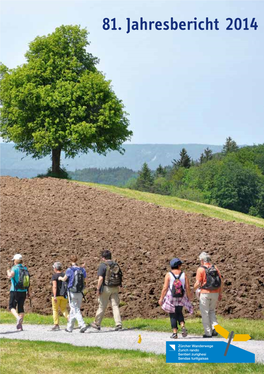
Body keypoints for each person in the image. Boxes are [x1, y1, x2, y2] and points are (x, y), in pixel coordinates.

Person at [159, 258, 193, 339]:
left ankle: (175, 333)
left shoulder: (168, 274)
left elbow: (165, 287)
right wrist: (189, 296)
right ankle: (182, 325)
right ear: (178, 265)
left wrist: (161, 298)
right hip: (181, 295)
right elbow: (187, 287)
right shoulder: (184, 274)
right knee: (179, 312)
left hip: (171, 296)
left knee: (172, 314)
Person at [91, 250, 122, 331]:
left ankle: (97, 323)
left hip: (106, 288)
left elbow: (101, 278)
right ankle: (118, 324)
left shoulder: (103, 265)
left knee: (102, 306)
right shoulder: (115, 264)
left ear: (103, 258)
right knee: (115, 306)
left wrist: (98, 289)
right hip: (115, 287)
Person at [194, 252, 223, 338]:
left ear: (202, 260)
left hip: (205, 293)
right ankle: (215, 327)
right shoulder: (215, 268)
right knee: (212, 311)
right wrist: (220, 293)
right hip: (215, 292)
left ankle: (208, 333)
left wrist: (192, 290)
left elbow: (198, 283)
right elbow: (221, 282)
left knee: (205, 313)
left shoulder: (200, 269)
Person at [58, 255, 89, 333]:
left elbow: (64, 279)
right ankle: (69, 327)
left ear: (70, 261)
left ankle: (82, 325)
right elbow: (85, 278)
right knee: (74, 309)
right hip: (80, 292)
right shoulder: (82, 269)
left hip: (72, 292)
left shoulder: (69, 270)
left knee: (75, 309)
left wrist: (60, 278)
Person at [6, 254, 30, 331]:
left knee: (12, 306)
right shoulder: (25, 268)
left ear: (15, 261)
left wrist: (8, 271)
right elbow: (27, 280)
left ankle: (18, 318)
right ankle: (20, 326)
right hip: (23, 291)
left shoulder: (15, 268)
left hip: (15, 290)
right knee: (21, 307)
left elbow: (10, 276)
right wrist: (27, 291)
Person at [51, 262, 69, 331]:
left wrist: (54, 296)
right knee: (64, 309)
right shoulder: (65, 275)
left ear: (55, 268)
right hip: (64, 295)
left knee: (55, 310)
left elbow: (54, 286)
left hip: (57, 296)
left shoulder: (54, 276)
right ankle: (70, 320)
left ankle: (56, 325)